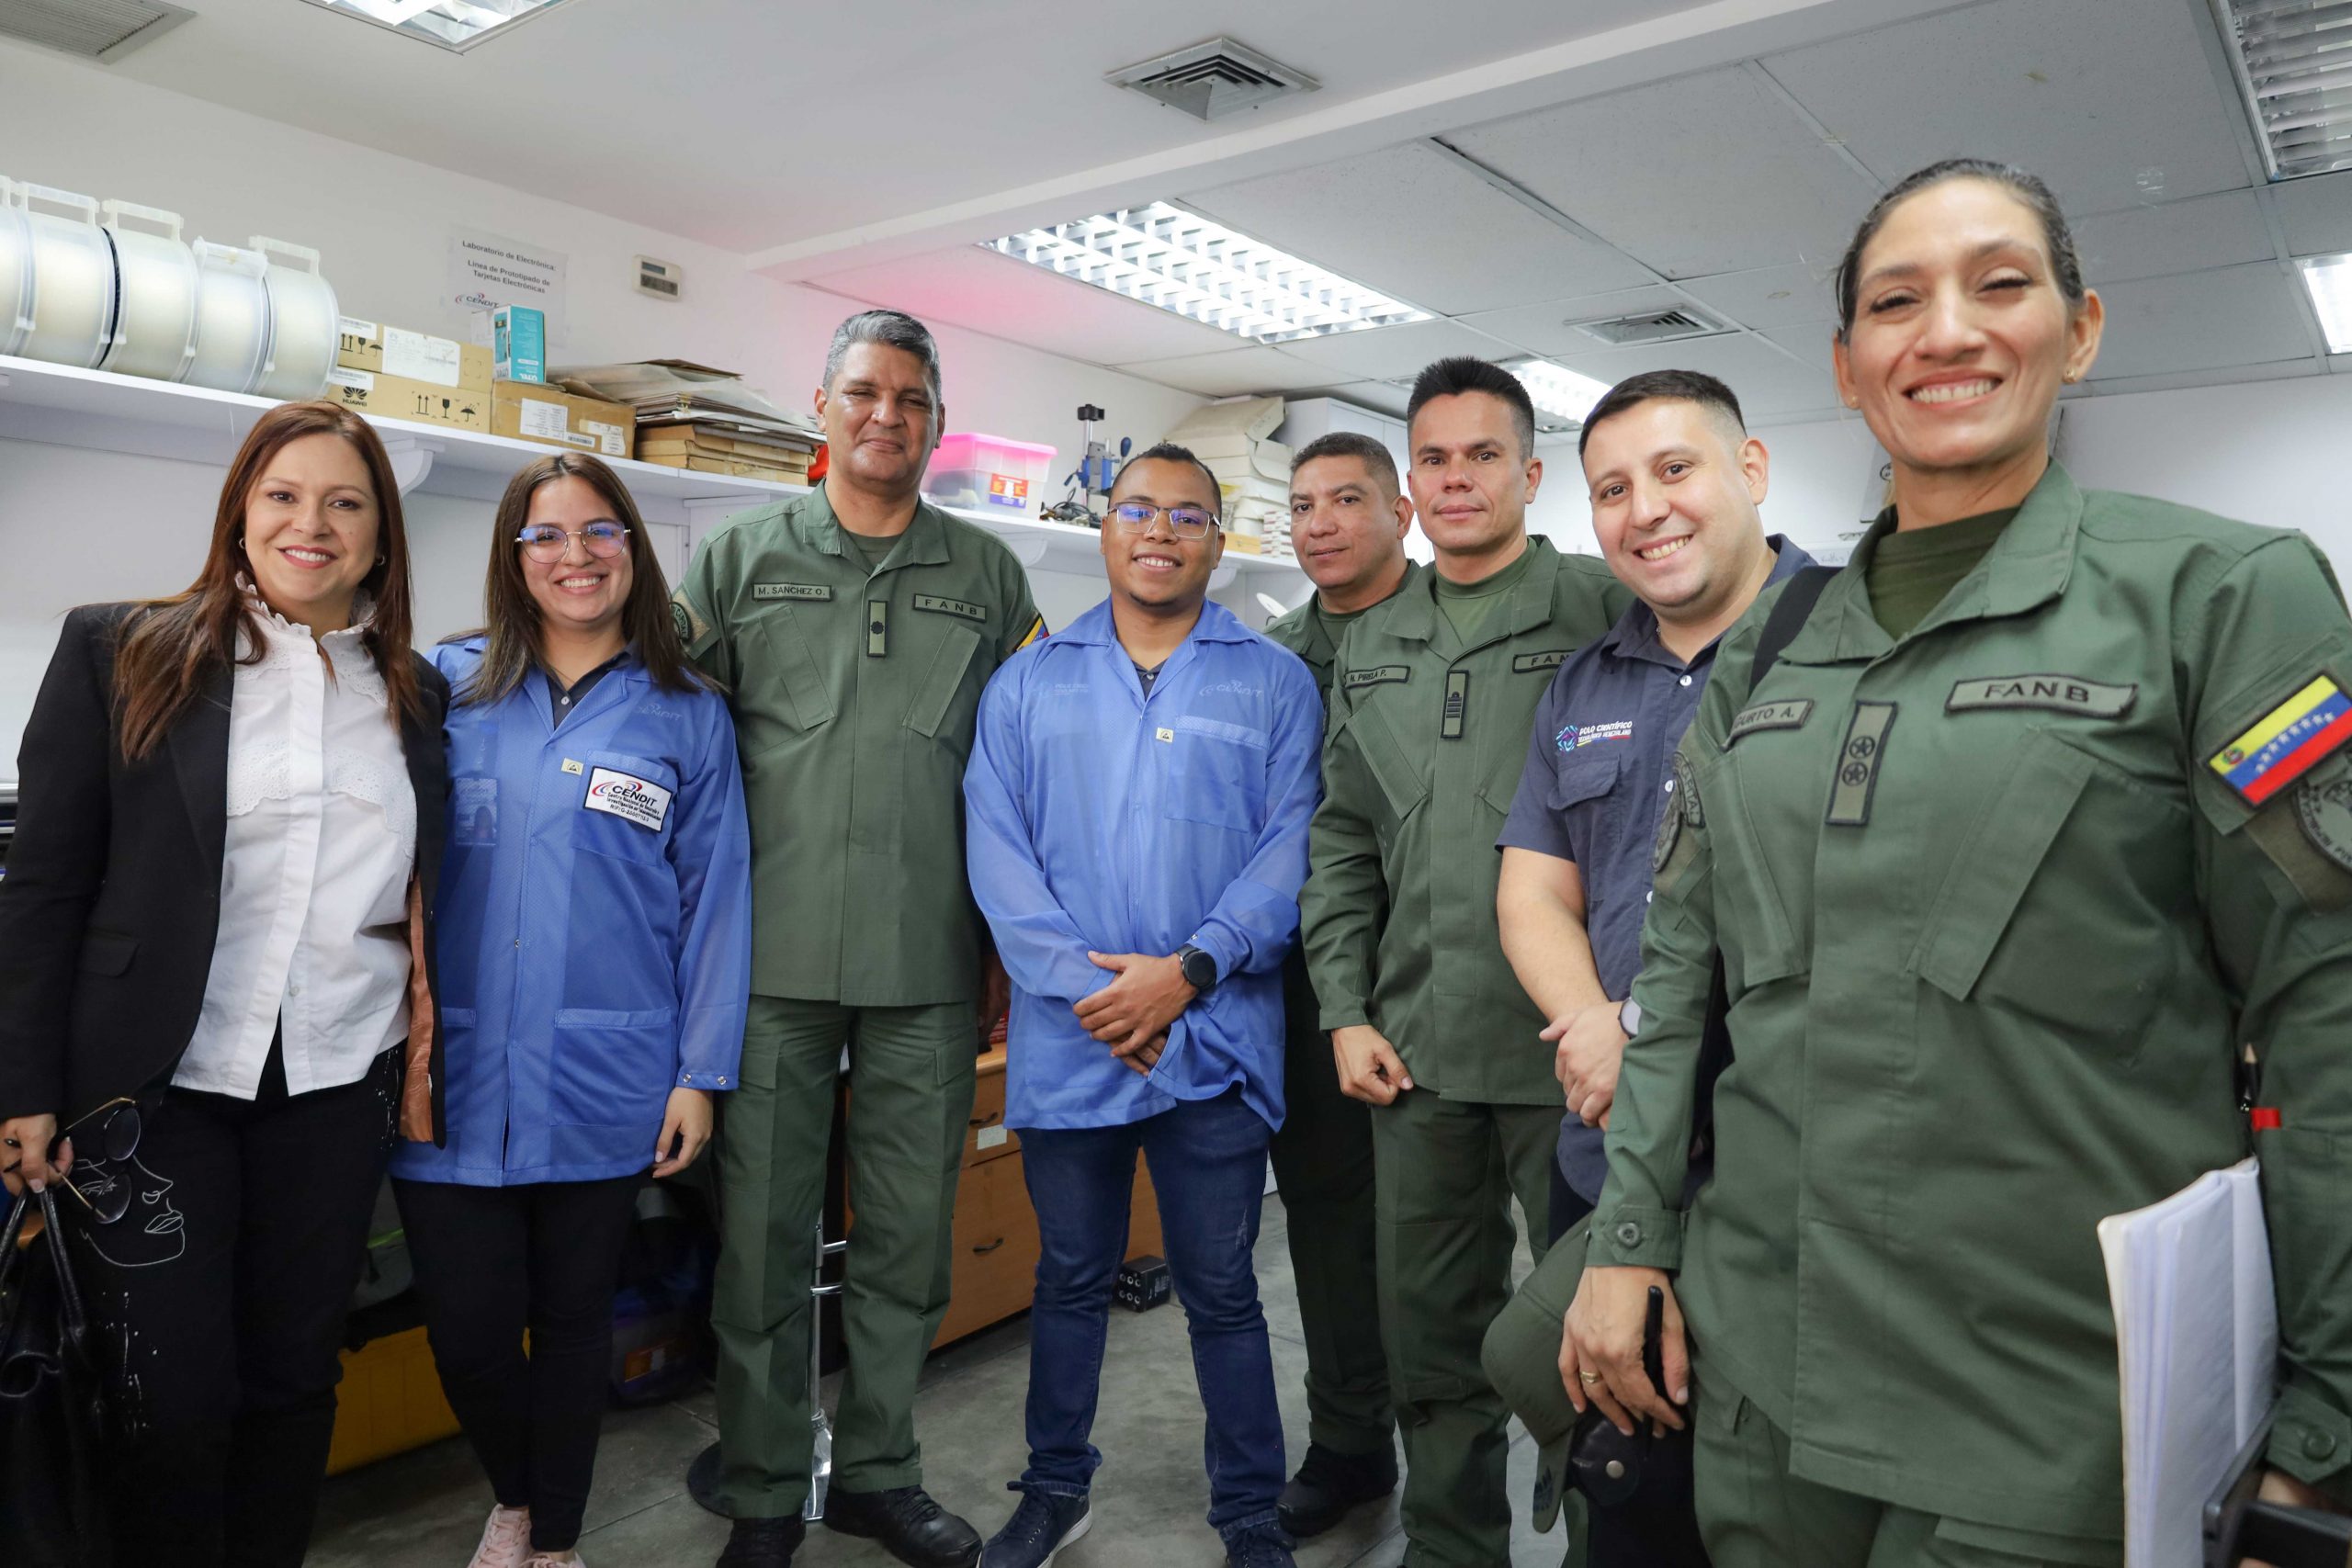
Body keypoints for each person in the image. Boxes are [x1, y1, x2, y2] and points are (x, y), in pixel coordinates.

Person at [1565, 158, 2352, 1565]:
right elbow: (1680, 970)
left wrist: (2330, 1413)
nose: (1946, 330)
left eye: (2001, 284)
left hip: (2050, 1412)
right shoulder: (1765, 650)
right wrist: (1627, 1238)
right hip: (1762, 1377)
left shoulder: (2222, 596)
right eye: (1895, 301)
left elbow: (2330, 1016)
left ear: (2082, 327)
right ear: (1850, 369)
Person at [0, 400, 450, 1567]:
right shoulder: (123, 648)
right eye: (284, 496)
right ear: (241, 513)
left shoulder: (414, 695)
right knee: (170, 1398)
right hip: (149, 1095)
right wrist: (23, 1087)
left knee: (297, 1379)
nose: (313, 523)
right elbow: (43, 885)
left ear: (381, 535)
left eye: (345, 501)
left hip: (333, 1088)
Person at [673, 309, 1042, 1568]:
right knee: (763, 1245)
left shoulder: (988, 576)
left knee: (904, 1239)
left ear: (937, 422)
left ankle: (880, 1470)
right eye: (867, 393)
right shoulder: (735, 559)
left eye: (914, 399)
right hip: (767, 963)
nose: (889, 415)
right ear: (821, 406)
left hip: (930, 962)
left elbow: (1033, 758)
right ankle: (768, 1485)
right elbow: (664, 732)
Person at [963, 442, 1321, 1568]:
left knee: (1221, 1287)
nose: (1160, 532)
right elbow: (997, 856)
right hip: (1075, 1045)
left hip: (1213, 1037)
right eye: (1136, 511)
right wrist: (1091, 990)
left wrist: (1187, 972)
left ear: (1220, 539)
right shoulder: (1029, 682)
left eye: (1187, 515)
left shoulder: (1272, 681)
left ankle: (1249, 1511)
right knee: (1066, 1280)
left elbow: (1290, 848)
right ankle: (1054, 1487)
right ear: (1104, 530)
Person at [392, 453, 753, 1568]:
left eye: (601, 533)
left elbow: (716, 903)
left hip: (609, 1072)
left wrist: (700, 1071)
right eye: (545, 536)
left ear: (634, 550)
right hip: (449, 1076)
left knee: (577, 1325)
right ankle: (518, 1490)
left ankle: (550, 1539)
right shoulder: (442, 690)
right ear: (513, 557)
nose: (575, 557)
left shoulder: (686, 712)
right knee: (467, 1335)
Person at [1478, 370, 1815, 1565]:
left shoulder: (1847, 645)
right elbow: (1534, 886)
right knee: (1625, 1487)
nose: (1646, 509)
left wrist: (1648, 1038)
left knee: (1784, 1504)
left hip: (1782, 1175)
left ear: (1751, 469)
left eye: (1675, 469)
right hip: (1609, 1155)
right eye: (1612, 488)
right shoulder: (1586, 682)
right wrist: (1598, 1030)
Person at [1303, 357, 1630, 1566]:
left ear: (1531, 473)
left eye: (1482, 454)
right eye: (1433, 458)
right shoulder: (1375, 634)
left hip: (1578, 1059)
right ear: (1408, 484)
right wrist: (1344, 1004)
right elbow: (1340, 836)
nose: (1455, 479)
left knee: (1600, 1335)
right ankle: (1451, 1548)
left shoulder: (1603, 605)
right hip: (1417, 1055)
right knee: (1432, 1342)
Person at [1259, 431, 1416, 1537]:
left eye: (1346, 499)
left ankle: (1488, 1439)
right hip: (1319, 983)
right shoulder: (1271, 656)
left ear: (1400, 511)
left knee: (1462, 1233)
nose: (1319, 522)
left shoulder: (1456, 620)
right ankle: (1352, 1440)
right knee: (1326, 1222)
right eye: (1302, 503)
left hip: (1459, 969)